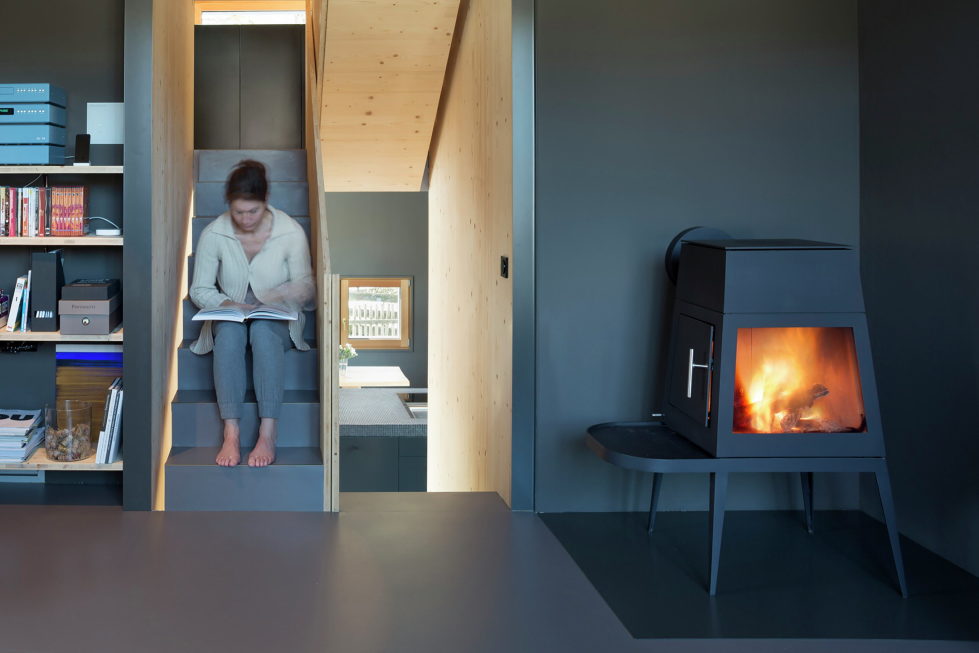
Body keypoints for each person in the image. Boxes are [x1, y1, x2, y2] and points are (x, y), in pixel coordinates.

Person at [189, 160, 314, 467]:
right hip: (231, 314)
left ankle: (267, 431)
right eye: (238, 211)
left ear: (265, 201)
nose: (245, 219)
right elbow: (199, 289)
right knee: (230, 335)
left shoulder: (290, 232)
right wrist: (226, 304)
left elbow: (308, 286)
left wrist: (281, 294)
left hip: (278, 315)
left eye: (253, 211)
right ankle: (231, 432)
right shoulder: (215, 233)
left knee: (262, 332)